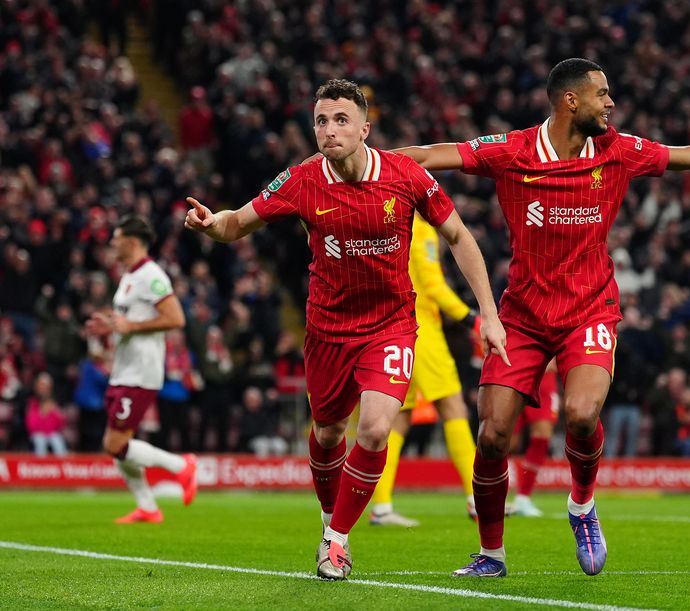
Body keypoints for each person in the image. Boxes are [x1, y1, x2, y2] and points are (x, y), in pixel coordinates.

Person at [395, 57, 690, 577]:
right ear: (570, 100)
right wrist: (357, 163)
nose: (610, 103)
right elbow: (428, 155)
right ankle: (491, 554)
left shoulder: (618, 150)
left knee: (582, 415)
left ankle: (581, 506)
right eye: (601, 93)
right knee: (493, 434)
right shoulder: (513, 150)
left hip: (589, 310)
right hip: (523, 317)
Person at [183, 79, 507, 581]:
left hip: (392, 326)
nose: (329, 130)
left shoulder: (405, 175)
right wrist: (212, 223)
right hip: (328, 330)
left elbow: (459, 236)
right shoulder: (300, 180)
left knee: (376, 429)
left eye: (340, 120)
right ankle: (329, 518)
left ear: (364, 128)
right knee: (328, 431)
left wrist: (486, 309)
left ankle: (335, 542)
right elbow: (237, 224)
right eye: (320, 121)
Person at [368, 212, 482, 527]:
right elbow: (433, 285)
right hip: (423, 333)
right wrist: (471, 318)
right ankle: (478, 498)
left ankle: (381, 506)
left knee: (399, 420)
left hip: (393, 328)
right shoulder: (421, 230)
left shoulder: (388, 224)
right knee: (453, 407)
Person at [83, 215, 198, 524]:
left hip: (141, 371)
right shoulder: (129, 276)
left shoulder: (152, 275)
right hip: (123, 368)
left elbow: (176, 318)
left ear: (132, 242)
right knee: (118, 443)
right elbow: (127, 319)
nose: (111, 242)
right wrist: (109, 324)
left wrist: (131, 326)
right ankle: (147, 506)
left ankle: (181, 466)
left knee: (114, 443)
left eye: (116, 237)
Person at [507, 359, 560, 518]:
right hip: (514, 375)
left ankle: (523, 498)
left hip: (544, 381)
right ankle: (488, 494)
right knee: (506, 441)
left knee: (542, 434)